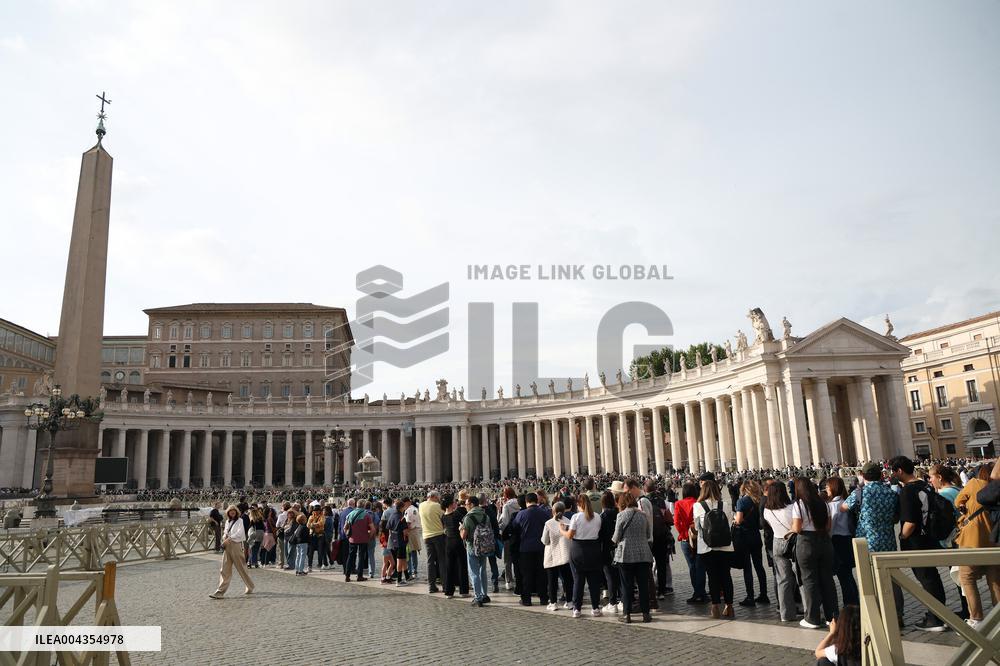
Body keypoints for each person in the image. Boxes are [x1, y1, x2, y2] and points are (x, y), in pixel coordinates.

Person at [842, 462, 904, 626]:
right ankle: (897, 614)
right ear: (881, 475)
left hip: (867, 543)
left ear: (862, 475)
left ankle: (874, 615)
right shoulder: (891, 493)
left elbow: (843, 508)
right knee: (892, 579)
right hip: (888, 541)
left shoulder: (860, 492)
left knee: (869, 579)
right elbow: (896, 517)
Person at [891, 455, 948, 632]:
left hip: (916, 541)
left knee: (926, 579)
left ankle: (936, 618)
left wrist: (902, 536)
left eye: (893, 471)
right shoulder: (925, 484)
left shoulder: (907, 491)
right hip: (930, 537)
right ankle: (940, 614)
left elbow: (910, 522)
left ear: (899, 470)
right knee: (932, 577)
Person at [955, 463, 1000, 629]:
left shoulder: (974, 483)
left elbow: (958, 500)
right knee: (995, 581)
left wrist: (963, 508)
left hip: (972, 541)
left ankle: (976, 618)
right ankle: (998, 618)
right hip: (993, 541)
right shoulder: (996, 488)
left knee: (967, 578)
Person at [792, 476, 839, 629]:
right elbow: (828, 526)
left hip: (807, 542)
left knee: (809, 580)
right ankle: (832, 616)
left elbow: (797, 528)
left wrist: (791, 528)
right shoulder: (824, 503)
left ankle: (812, 618)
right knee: (827, 580)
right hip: (825, 542)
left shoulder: (799, 505)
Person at [690, 478, 735, 620]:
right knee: (726, 576)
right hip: (725, 546)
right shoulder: (725, 504)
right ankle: (729, 606)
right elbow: (729, 524)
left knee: (712, 577)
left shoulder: (698, 506)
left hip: (706, 547)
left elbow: (697, 528)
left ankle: (715, 606)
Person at [560, 492, 604, 617]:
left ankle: (577, 609)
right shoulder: (597, 516)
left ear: (578, 504)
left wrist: (562, 529)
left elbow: (570, 535)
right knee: (594, 582)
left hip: (578, 549)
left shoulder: (576, 517)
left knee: (578, 581)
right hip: (594, 549)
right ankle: (595, 608)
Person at [612, 491, 653, 624]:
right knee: (643, 585)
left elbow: (616, 537)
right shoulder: (643, 515)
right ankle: (646, 614)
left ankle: (627, 614)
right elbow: (648, 534)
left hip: (626, 555)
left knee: (627, 585)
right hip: (643, 554)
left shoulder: (621, 515)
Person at [763, 480, 798, 622]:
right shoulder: (792, 508)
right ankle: (807, 611)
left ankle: (786, 614)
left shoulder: (767, 510)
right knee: (799, 577)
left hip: (777, 542)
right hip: (793, 541)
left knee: (783, 580)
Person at [734, 479, 768, 607]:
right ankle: (764, 594)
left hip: (744, 537)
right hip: (756, 536)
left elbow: (738, 520)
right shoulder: (759, 501)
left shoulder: (742, 501)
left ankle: (750, 596)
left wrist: (734, 519)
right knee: (759, 566)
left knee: (747, 568)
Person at [512, 492, 551, 607]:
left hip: (525, 548)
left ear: (526, 502)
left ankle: (526, 599)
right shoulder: (544, 513)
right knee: (542, 574)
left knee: (526, 575)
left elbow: (514, 528)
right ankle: (543, 598)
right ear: (537, 501)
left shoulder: (521, 514)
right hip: (541, 547)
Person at [825, 476, 859, 606]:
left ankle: (850, 604)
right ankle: (854, 601)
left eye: (828, 486)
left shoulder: (833, 505)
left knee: (843, 575)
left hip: (838, 541)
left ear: (833, 488)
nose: (826, 489)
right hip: (848, 539)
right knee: (848, 574)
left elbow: (831, 527)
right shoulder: (845, 501)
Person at [209, 505, 254, 599]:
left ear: (236, 512)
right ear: (228, 513)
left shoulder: (240, 521)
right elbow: (225, 531)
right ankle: (220, 591)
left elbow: (240, 532)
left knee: (241, 568)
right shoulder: (227, 521)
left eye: (233, 511)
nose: (232, 513)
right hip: (227, 545)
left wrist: (229, 538)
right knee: (224, 569)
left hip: (235, 545)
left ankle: (250, 586)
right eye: (230, 511)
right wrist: (224, 537)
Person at [674, 482, 707, 604]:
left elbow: (676, 522)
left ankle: (697, 593)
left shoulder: (679, 504)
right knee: (700, 567)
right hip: (699, 538)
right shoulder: (698, 503)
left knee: (692, 567)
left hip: (685, 539)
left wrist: (683, 534)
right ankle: (702, 592)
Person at [541, 501, 573, 611]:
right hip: (565, 554)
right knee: (568, 579)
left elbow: (545, 541)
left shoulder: (548, 523)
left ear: (553, 511)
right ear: (564, 511)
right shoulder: (568, 522)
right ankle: (569, 602)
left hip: (552, 555)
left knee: (552, 580)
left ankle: (553, 603)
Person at [460, 495, 491, 607]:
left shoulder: (468, 517)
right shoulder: (485, 516)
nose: (465, 506)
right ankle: (484, 595)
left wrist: (460, 529)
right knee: (483, 571)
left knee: (474, 573)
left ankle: (477, 597)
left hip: (472, 547)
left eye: (466, 504)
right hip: (484, 546)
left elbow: (463, 536)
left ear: (472, 505)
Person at [598, 490, 622, 614]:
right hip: (619, 547)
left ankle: (613, 603)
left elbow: (600, 535)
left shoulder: (603, 516)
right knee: (619, 575)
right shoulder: (618, 512)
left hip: (607, 549)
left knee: (610, 577)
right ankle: (622, 600)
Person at [441, 494, 470, 598]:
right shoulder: (457, 514)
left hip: (448, 542)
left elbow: (444, 529)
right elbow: (464, 525)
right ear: (450, 504)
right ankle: (464, 591)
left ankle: (449, 591)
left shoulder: (443, 516)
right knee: (462, 566)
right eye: (454, 502)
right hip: (458, 542)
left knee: (449, 567)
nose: (455, 503)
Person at [420, 490, 446, 593]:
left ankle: (431, 586)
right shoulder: (437, 506)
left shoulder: (421, 506)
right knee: (442, 561)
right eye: (438, 498)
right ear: (435, 497)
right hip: (438, 535)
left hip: (426, 536)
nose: (439, 500)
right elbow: (444, 517)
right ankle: (445, 585)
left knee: (430, 561)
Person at [343, 502, 374, 582]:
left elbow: (345, 528)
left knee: (351, 556)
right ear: (363, 506)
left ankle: (347, 575)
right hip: (363, 539)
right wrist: (369, 537)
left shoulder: (350, 514)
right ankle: (360, 576)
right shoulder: (366, 515)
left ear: (356, 505)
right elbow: (372, 529)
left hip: (352, 539)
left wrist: (348, 536)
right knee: (361, 557)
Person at [498, 487, 520, 591]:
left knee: (507, 560)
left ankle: (509, 581)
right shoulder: (520, 503)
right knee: (518, 558)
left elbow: (505, 522)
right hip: (519, 533)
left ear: (506, 495)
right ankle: (519, 578)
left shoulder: (507, 506)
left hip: (509, 535)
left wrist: (500, 527)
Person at [385, 498, 410, 586]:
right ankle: (399, 580)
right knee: (400, 559)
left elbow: (388, 528)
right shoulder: (402, 518)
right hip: (401, 541)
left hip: (393, 540)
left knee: (402, 558)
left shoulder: (392, 515)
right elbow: (405, 531)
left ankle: (407, 576)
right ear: (401, 508)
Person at [403, 498, 422, 581]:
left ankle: (410, 571)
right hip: (416, 531)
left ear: (407, 502)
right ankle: (415, 571)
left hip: (411, 531)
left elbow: (408, 523)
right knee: (414, 552)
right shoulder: (415, 508)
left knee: (409, 552)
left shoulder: (409, 510)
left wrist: (405, 532)